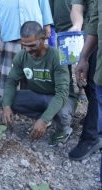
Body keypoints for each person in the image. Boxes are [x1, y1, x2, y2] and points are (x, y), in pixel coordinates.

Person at [1, 21, 76, 145]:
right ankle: (47, 116)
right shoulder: (21, 56)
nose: (27, 49)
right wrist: (6, 107)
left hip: (63, 98)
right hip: (39, 95)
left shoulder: (56, 57)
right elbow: (11, 81)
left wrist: (44, 120)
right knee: (7, 100)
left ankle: (63, 129)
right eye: (24, 45)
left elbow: (62, 94)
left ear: (42, 39)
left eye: (32, 45)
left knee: (62, 114)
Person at [0, 0, 53, 96]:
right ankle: (8, 100)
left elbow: (44, 2)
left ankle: (37, 98)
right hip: (10, 29)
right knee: (10, 72)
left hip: (35, 30)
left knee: (37, 69)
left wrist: (47, 24)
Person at [67, 0, 102, 161]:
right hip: (93, 40)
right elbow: (80, 8)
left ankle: (91, 136)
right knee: (91, 86)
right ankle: (93, 130)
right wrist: (77, 24)